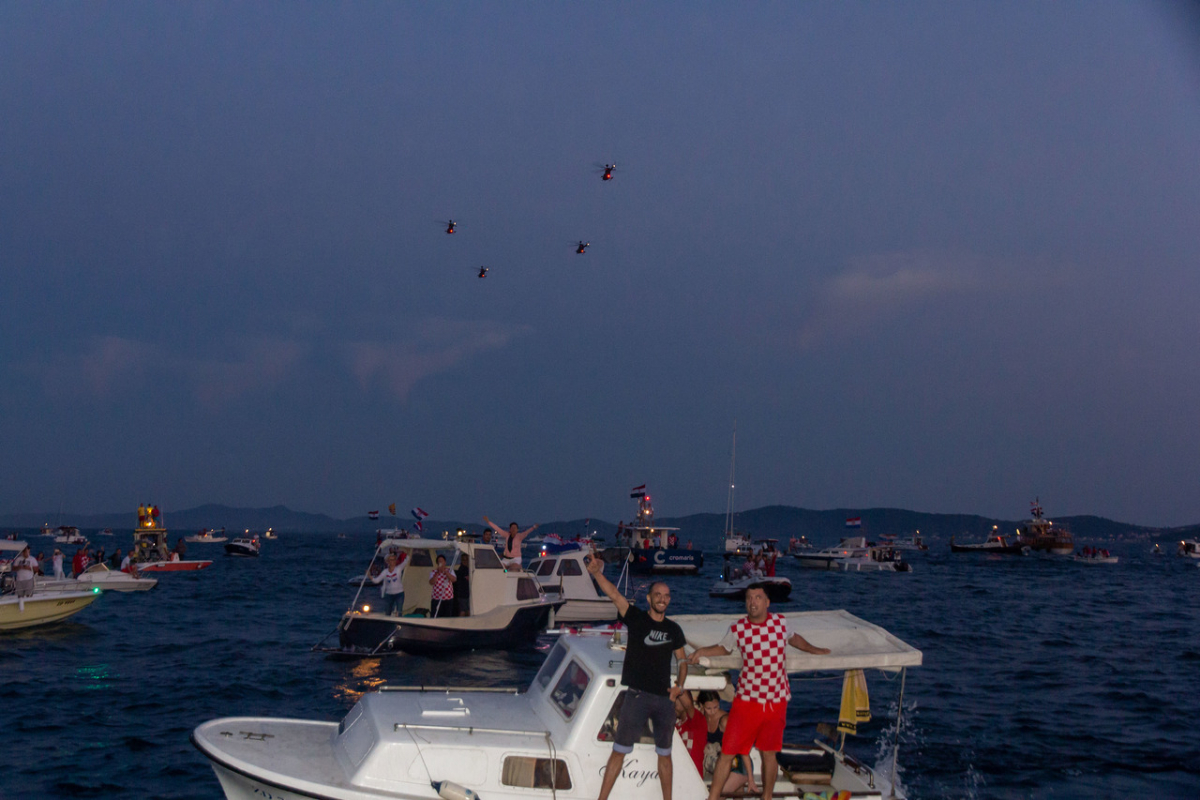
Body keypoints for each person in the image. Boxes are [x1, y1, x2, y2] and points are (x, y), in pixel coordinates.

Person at [688, 583, 832, 800]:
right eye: (749, 598)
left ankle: (767, 797)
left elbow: (795, 639)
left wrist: (815, 649)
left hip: (776, 702)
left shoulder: (780, 622)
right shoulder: (738, 628)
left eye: (757, 597)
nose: (752, 602)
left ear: (767, 602)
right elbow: (724, 648)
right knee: (727, 752)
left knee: (769, 753)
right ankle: (713, 798)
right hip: (746, 702)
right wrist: (702, 651)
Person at [586, 553, 688, 800]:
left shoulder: (674, 629)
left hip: (664, 700)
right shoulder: (637, 619)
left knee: (665, 754)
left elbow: (682, 660)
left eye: (666, 595)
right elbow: (614, 594)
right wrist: (596, 573)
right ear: (649, 598)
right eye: (658, 595)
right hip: (637, 697)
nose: (662, 599)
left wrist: (679, 686)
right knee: (619, 750)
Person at [697, 690, 759, 796]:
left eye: (716, 707)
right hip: (722, 764)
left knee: (717, 796)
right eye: (709, 708)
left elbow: (743, 748)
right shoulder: (701, 717)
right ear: (701, 706)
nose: (713, 711)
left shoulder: (725, 720)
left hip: (739, 765)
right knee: (737, 794)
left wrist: (750, 778)